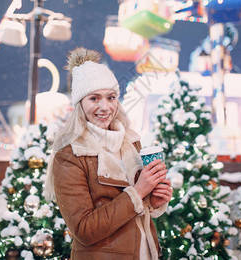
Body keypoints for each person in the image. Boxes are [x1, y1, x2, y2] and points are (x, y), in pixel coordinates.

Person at [44, 47, 173, 259]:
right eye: (94, 98)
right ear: (80, 105)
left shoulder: (132, 144)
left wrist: (153, 201)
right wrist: (138, 192)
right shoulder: (70, 156)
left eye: (111, 97)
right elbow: (84, 230)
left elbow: (135, 210)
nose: (105, 107)